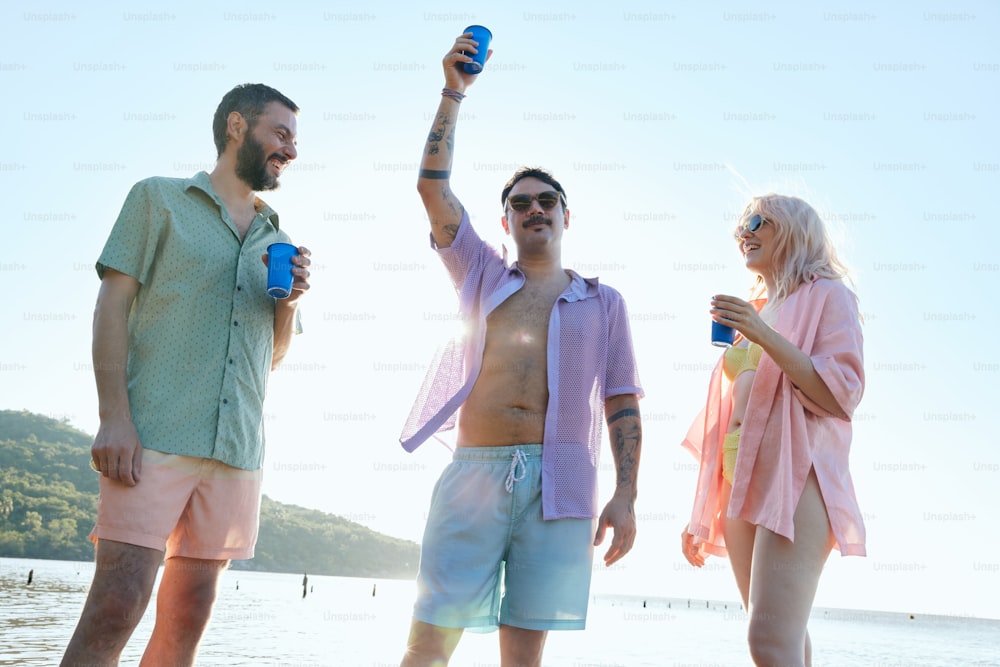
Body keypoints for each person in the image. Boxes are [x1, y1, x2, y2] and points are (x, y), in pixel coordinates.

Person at [398, 33, 644, 667]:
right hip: (474, 474)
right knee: (427, 644)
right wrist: (454, 91)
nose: (534, 208)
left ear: (566, 215)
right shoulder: (481, 273)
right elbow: (432, 189)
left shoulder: (603, 301)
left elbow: (621, 400)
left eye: (546, 200)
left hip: (561, 488)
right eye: (519, 203)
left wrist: (626, 496)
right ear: (504, 220)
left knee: (524, 657)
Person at [61, 83, 311, 667]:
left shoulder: (279, 238)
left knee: (187, 622)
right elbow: (111, 307)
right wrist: (113, 418)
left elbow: (270, 356)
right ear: (236, 126)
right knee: (115, 607)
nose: (291, 150)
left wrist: (290, 303)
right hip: (151, 438)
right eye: (281, 133)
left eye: (295, 141)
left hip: (236, 452)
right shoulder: (157, 199)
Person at [680, 194, 866, 666]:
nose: (744, 232)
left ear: (795, 230)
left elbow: (840, 395)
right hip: (739, 472)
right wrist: (701, 509)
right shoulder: (760, 308)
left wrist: (762, 333)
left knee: (768, 643)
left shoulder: (829, 295)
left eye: (757, 222)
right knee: (781, 637)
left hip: (795, 473)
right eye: (740, 225)